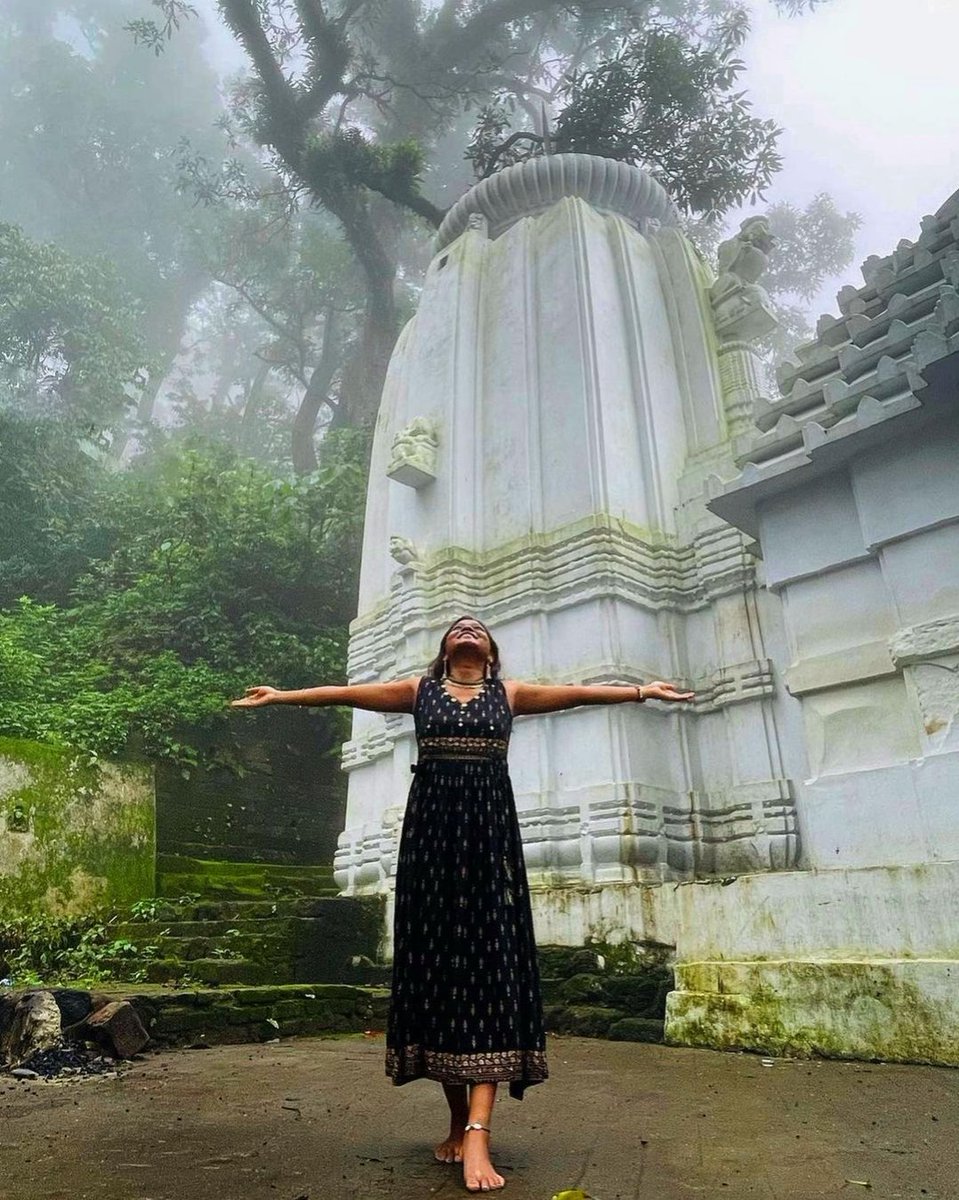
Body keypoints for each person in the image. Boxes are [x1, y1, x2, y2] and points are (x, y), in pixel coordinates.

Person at [232, 616, 694, 1192]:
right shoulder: (418, 690)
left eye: (477, 627)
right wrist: (282, 697)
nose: (468, 630)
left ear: (490, 650)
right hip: (431, 845)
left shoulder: (510, 693)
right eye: (458, 627)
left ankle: (478, 1132)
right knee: (438, 973)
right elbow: (347, 694)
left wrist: (640, 691)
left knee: (488, 970)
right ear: (446, 648)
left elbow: (576, 695)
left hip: (489, 841)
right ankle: (456, 1121)